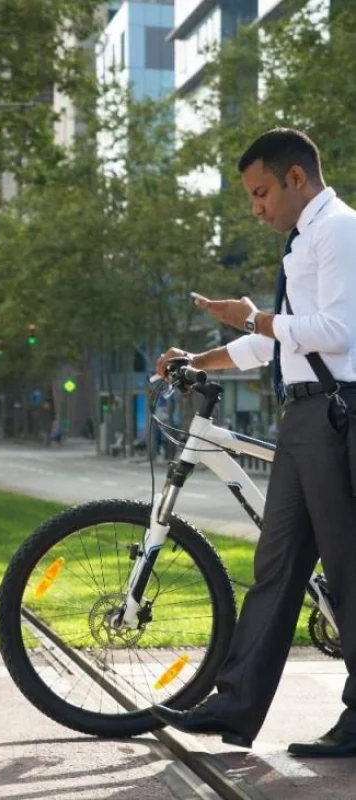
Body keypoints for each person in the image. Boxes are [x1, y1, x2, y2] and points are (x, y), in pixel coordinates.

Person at [153, 128, 356, 757]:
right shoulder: (303, 243)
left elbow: (337, 332)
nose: (256, 207)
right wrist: (202, 357)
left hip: (335, 415)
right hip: (303, 418)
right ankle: (235, 706)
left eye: (261, 191)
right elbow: (276, 341)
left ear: (297, 178)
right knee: (276, 570)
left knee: (348, 572)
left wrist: (255, 316)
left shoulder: (340, 230)